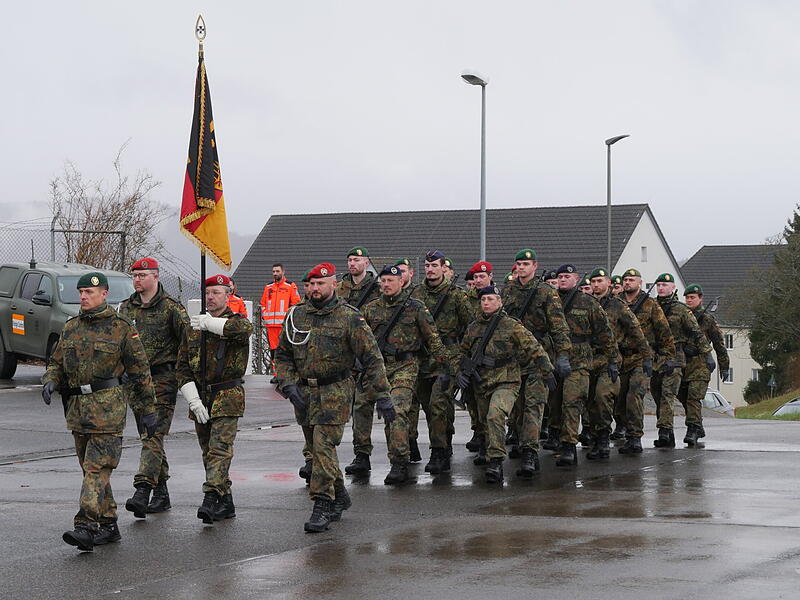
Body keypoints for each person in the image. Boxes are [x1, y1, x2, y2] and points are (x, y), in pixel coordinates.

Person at [42, 271, 157, 551]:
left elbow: (140, 371)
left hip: (108, 409)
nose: (83, 297)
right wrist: (50, 380)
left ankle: (86, 525)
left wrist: (148, 410)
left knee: (96, 469)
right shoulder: (71, 327)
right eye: (81, 292)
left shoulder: (121, 327)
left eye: (89, 293)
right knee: (91, 472)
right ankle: (108, 524)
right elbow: (56, 362)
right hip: (78, 411)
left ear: (104, 294)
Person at [274, 262, 392, 532]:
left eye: (320, 284)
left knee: (324, 445)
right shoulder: (296, 316)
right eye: (310, 284)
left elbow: (372, 358)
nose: (314, 289)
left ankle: (322, 504)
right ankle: (339, 494)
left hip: (335, 391)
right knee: (316, 451)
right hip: (303, 393)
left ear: (333, 284)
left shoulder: (349, 317)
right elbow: (283, 355)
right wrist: (288, 384)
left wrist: (383, 395)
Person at [362, 265, 452, 485]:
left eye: (390, 281)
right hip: (380, 368)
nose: (386, 285)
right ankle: (397, 455)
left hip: (406, 366)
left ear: (401, 281)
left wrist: (446, 367)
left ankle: (399, 463)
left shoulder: (416, 307)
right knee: (386, 415)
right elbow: (360, 341)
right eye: (383, 281)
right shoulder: (371, 309)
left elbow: (433, 339)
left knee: (397, 411)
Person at [457, 285, 554, 482]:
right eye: (483, 300)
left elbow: (533, 347)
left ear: (499, 302)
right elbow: (462, 352)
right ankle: (492, 453)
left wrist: (547, 371)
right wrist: (458, 371)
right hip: (481, 381)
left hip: (506, 379)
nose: (486, 303)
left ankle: (496, 461)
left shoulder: (511, 325)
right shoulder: (474, 327)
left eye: (490, 299)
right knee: (485, 422)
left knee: (496, 415)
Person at [177, 274, 253, 524]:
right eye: (208, 293)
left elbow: (241, 331)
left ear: (227, 295)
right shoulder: (194, 327)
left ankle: (210, 497)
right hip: (202, 395)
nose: (210, 297)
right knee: (209, 452)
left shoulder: (236, 321)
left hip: (227, 395)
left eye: (216, 293)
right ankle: (226, 500)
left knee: (220, 450)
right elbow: (183, 367)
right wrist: (193, 400)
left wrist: (210, 324)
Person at [119, 257, 191, 519]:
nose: (137, 280)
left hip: (162, 381)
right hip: (136, 384)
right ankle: (162, 493)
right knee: (149, 437)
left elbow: (189, 343)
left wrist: (185, 379)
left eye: (142, 275)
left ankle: (143, 489)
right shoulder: (126, 309)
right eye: (134, 275)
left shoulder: (171, 308)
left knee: (153, 436)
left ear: (155, 277)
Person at [500, 249, 572, 470]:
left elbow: (559, 327)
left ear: (535, 266)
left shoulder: (546, 292)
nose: (521, 267)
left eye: (525, 264)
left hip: (538, 358)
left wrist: (562, 355)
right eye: (518, 264)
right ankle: (523, 443)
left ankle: (530, 452)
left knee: (534, 405)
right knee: (517, 407)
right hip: (513, 358)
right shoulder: (508, 290)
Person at [410, 250, 473, 474]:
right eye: (427, 266)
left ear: (443, 267)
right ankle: (444, 440)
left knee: (438, 404)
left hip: (448, 357)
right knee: (430, 407)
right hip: (422, 358)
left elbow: (471, 327)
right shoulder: (416, 293)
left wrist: (463, 359)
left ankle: (439, 451)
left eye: (434, 265)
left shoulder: (457, 295)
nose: (430, 269)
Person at [551, 264, 616, 466]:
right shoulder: (549, 301)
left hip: (580, 360)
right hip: (553, 358)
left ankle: (570, 446)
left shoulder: (587, 302)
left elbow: (605, 333)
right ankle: (558, 439)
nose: (563, 280)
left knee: (572, 402)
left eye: (567, 276)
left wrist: (613, 360)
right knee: (554, 405)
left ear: (576, 279)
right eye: (560, 276)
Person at [588, 267, 649, 459]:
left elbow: (635, 330)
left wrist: (647, 356)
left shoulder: (618, 305)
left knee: (604, 396)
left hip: (611, 359)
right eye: (594, 282)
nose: (597, 285)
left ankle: (622, 437)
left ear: (608, 282)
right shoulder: (584, 303)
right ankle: (598, 437)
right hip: (588, 359)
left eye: (600, 281)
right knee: (590, 402)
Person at [618, 268, 675, 453]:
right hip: (619, 357)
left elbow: (664, 333)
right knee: (619, 399)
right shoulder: (616, 303)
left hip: (642, 358)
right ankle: (625, 431)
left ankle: (635, 437)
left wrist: (667, 358)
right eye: (625, 279)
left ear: (640, 282)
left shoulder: (650, 305)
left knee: (634, 395)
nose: (628, 282)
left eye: (632, 279)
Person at [652, 273, 710, 448]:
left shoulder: (681, 309)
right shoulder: (651, 307)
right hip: (656, 357)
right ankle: (668, 434)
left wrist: (707, 354)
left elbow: (697, 333)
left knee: (668, 395)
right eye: (659, 285)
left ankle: (666, 430)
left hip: (676, 356)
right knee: (657, 394)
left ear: (672, 287)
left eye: (665, 285)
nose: (661, 288)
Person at [681, 283, 729, 445]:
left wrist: (724, 366)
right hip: (683, 363)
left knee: (694, 398)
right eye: (687, 298)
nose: (689, 300)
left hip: (701, 364)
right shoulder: (681, 316)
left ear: (700, 298)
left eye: (692, 298)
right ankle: (698, 424)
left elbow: (719, 344)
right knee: (683, 396)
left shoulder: (707, 319)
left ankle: (692, 430)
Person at [462, 261, 494, 453]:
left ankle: (492, 439)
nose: (479, 280)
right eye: (476, 277)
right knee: (473, 398)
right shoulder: (465, 299)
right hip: (471, 354)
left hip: (492, 356)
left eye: (482, 276)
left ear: (490, 276)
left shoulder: (497, 297)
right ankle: (479, 432)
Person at [260, 263, 301, 383]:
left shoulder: (290, 286)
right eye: (273, 271)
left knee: (285, 349)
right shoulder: (268, 287)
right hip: (270, 325)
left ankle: (287, 374)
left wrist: (289, 319)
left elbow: (296, 304)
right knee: (274, 351)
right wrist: (265, 314)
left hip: (283, 325)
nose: (275, 274)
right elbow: (263, 303)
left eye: (277, 271)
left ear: (283, 272)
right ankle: (277, 373)